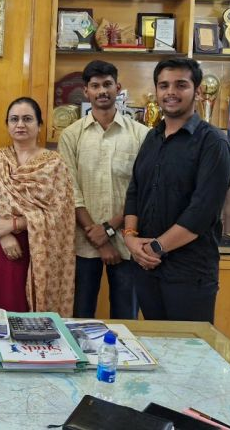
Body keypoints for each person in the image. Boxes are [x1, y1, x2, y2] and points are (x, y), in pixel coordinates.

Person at [123, 57, 230, 323]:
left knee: (191, 356)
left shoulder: (213, 143)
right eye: (164, 85)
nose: (171, 92)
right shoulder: (152, 137)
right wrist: (129, 238)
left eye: (180, 85)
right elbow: (135, 191)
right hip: (147, 268)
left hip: (189, 272)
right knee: (157, 351)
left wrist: (157, 247)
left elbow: (201, 211)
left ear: (197, 91)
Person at [0, 97, 75, 315]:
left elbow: (61, 214)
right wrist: (1, 233)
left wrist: (15, 224)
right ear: (7, 125)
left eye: (27, 119)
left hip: (37, 248)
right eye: (14, 119)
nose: (20, 124)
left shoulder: (53, 163)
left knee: (26, 314)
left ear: (39, 125)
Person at [58, 61, 148, 320]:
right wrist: (96, 236)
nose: (102, 91)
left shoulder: (142, 135)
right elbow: (69, 189)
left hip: (127, 241)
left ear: (118, 88)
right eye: (95, 86)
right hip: (84, 243)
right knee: (80, 315)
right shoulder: (71, 136)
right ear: (85, 91)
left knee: (126, 318)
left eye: (107, 84)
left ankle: (123, 361)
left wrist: (108, 230)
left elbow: (142, 190)